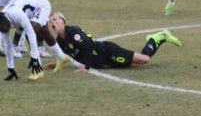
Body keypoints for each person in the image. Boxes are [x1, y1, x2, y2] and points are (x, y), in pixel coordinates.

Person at [47, 14, 180, 73]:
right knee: (136, 65)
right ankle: (155, 39)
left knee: (144, 60)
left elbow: (87, 46)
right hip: (103, 62)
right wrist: (57, 63)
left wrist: (86, 67)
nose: (53, 23)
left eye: (55, 19)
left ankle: (158, 37)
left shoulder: (72, 31)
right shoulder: (60, 41)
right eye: (50, 22)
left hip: (107, 51)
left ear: (63, 21)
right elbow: (65, 54)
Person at [0, 0, 70, 81]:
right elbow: (8, 46)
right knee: (45, 33)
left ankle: (38, 70)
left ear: (6, 20)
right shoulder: (2, 24)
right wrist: (10, 68)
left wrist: (34, 59)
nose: (4, 31)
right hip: (30, 12)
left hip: (41, 6)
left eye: (4, 28)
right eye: (1, 30)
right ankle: (62, 57)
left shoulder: (16, 14)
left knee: (30, 32)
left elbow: (31, 33)